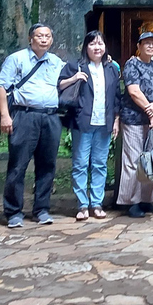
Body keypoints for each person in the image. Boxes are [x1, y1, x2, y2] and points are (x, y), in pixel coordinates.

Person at [0, 23, 65, 228]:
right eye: (39, 35)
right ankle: (14, 211)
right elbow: (1, 86)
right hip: (24, 116)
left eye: (48, 36)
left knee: (47, 165)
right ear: (30, 39)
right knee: (18, 165)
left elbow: (61, 82)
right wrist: (5, 116)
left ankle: (41, 209)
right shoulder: (17, 59)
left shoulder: (55, 61)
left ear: (51, 40)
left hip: (50, 117)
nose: (44, 39)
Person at [57, 31, 121, 220]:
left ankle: (96, 203)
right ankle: (82, 205)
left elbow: (116, 96)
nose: (97, 47)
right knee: (80, 164)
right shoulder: (76, 66)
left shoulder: (111, 69)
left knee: (100, 164)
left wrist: (116, 119)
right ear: (86, 46)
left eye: (100, 43)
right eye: (92, 44)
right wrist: (75, 78)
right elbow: (60, 86)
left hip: (105, 123)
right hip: (82, 121)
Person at [118, 32, 153, 218]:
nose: (150, 46)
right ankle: (131, 201)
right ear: (139, 46)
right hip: (134, 119)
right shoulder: (132, 64)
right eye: (146, 43)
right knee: (134, 160)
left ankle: (147, 200)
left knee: (152, 159)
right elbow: (134, 91)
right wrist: (151, 110)